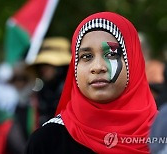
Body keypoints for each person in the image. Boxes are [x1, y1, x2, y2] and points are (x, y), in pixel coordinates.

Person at [25, 12, 157, 153]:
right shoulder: (48, 141)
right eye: (86, 56)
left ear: (133, 61)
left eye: (112, 54)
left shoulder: (161, 132)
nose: (98, 67)